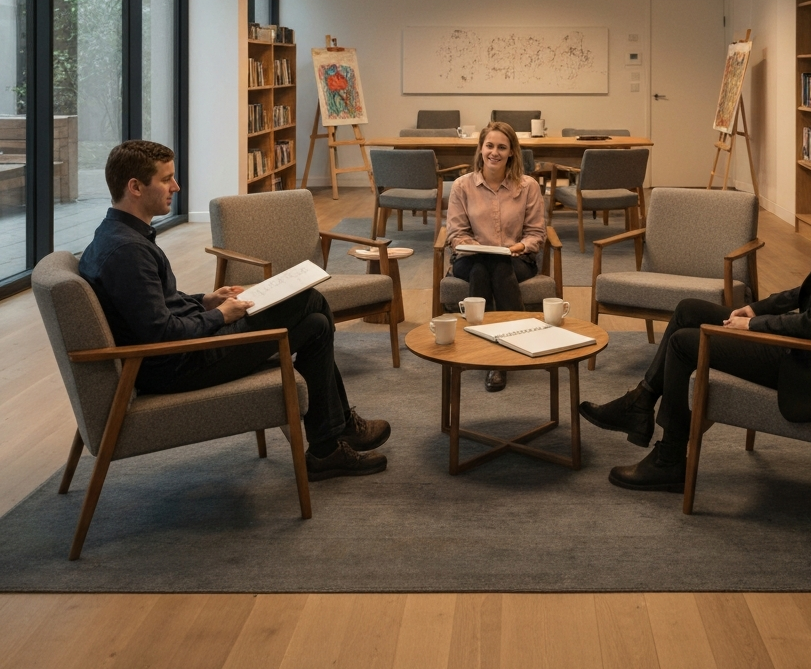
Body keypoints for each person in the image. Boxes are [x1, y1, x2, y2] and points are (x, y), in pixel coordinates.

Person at [579, 129, 811, 492]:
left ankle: (669, 457)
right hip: (810, 351)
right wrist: (753, 308)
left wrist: (754, 328)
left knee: (684, 344)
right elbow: (807, 294)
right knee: (689, 310)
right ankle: (639, 403)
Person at [78, 140, 391, 482]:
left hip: (180, 352)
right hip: (181, 363)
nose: (176, 186)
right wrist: (220, 316)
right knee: (307, 300)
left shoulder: (117, 235)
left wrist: (204, 300)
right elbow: (161, 332)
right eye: (166, 179)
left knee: (315, 324)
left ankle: (328, 446)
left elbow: (154, 306)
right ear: (135, 187)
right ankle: (339, 427)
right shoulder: (127, 251)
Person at [445, 121, 546, 391]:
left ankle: (487, 353)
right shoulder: (461, 186)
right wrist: (472, 245)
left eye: (502, 147)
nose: (495, 152)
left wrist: (518, 247)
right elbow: (456, 234)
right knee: (481, 266)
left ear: (512, 152)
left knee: (497, 267)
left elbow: (536, 234)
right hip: (470, 258)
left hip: (516, 259)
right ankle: (514, 345)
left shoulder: (528, 186)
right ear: (480, 149)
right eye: (489, 145)